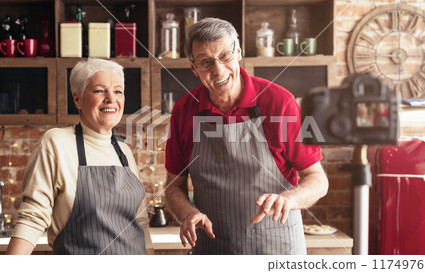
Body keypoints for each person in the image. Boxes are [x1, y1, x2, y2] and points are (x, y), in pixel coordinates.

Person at [165, 18, 328, 255]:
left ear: (238, 53)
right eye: (206, 62)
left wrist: (289, 200)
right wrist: (187, 213)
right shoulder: (183, 111)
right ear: (193, 67)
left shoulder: (280, 103)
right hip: (213, 250)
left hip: (277, 249)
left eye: (225, 56)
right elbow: (173, 186)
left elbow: (317, 179)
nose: (218, 70)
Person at [6, 58, 154, 255]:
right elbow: (33, 218)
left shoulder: (124, 152)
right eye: (99, 90)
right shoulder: (56, 143)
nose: (111, 98)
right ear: (77, 99)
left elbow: (140, 222)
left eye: (118, 91)